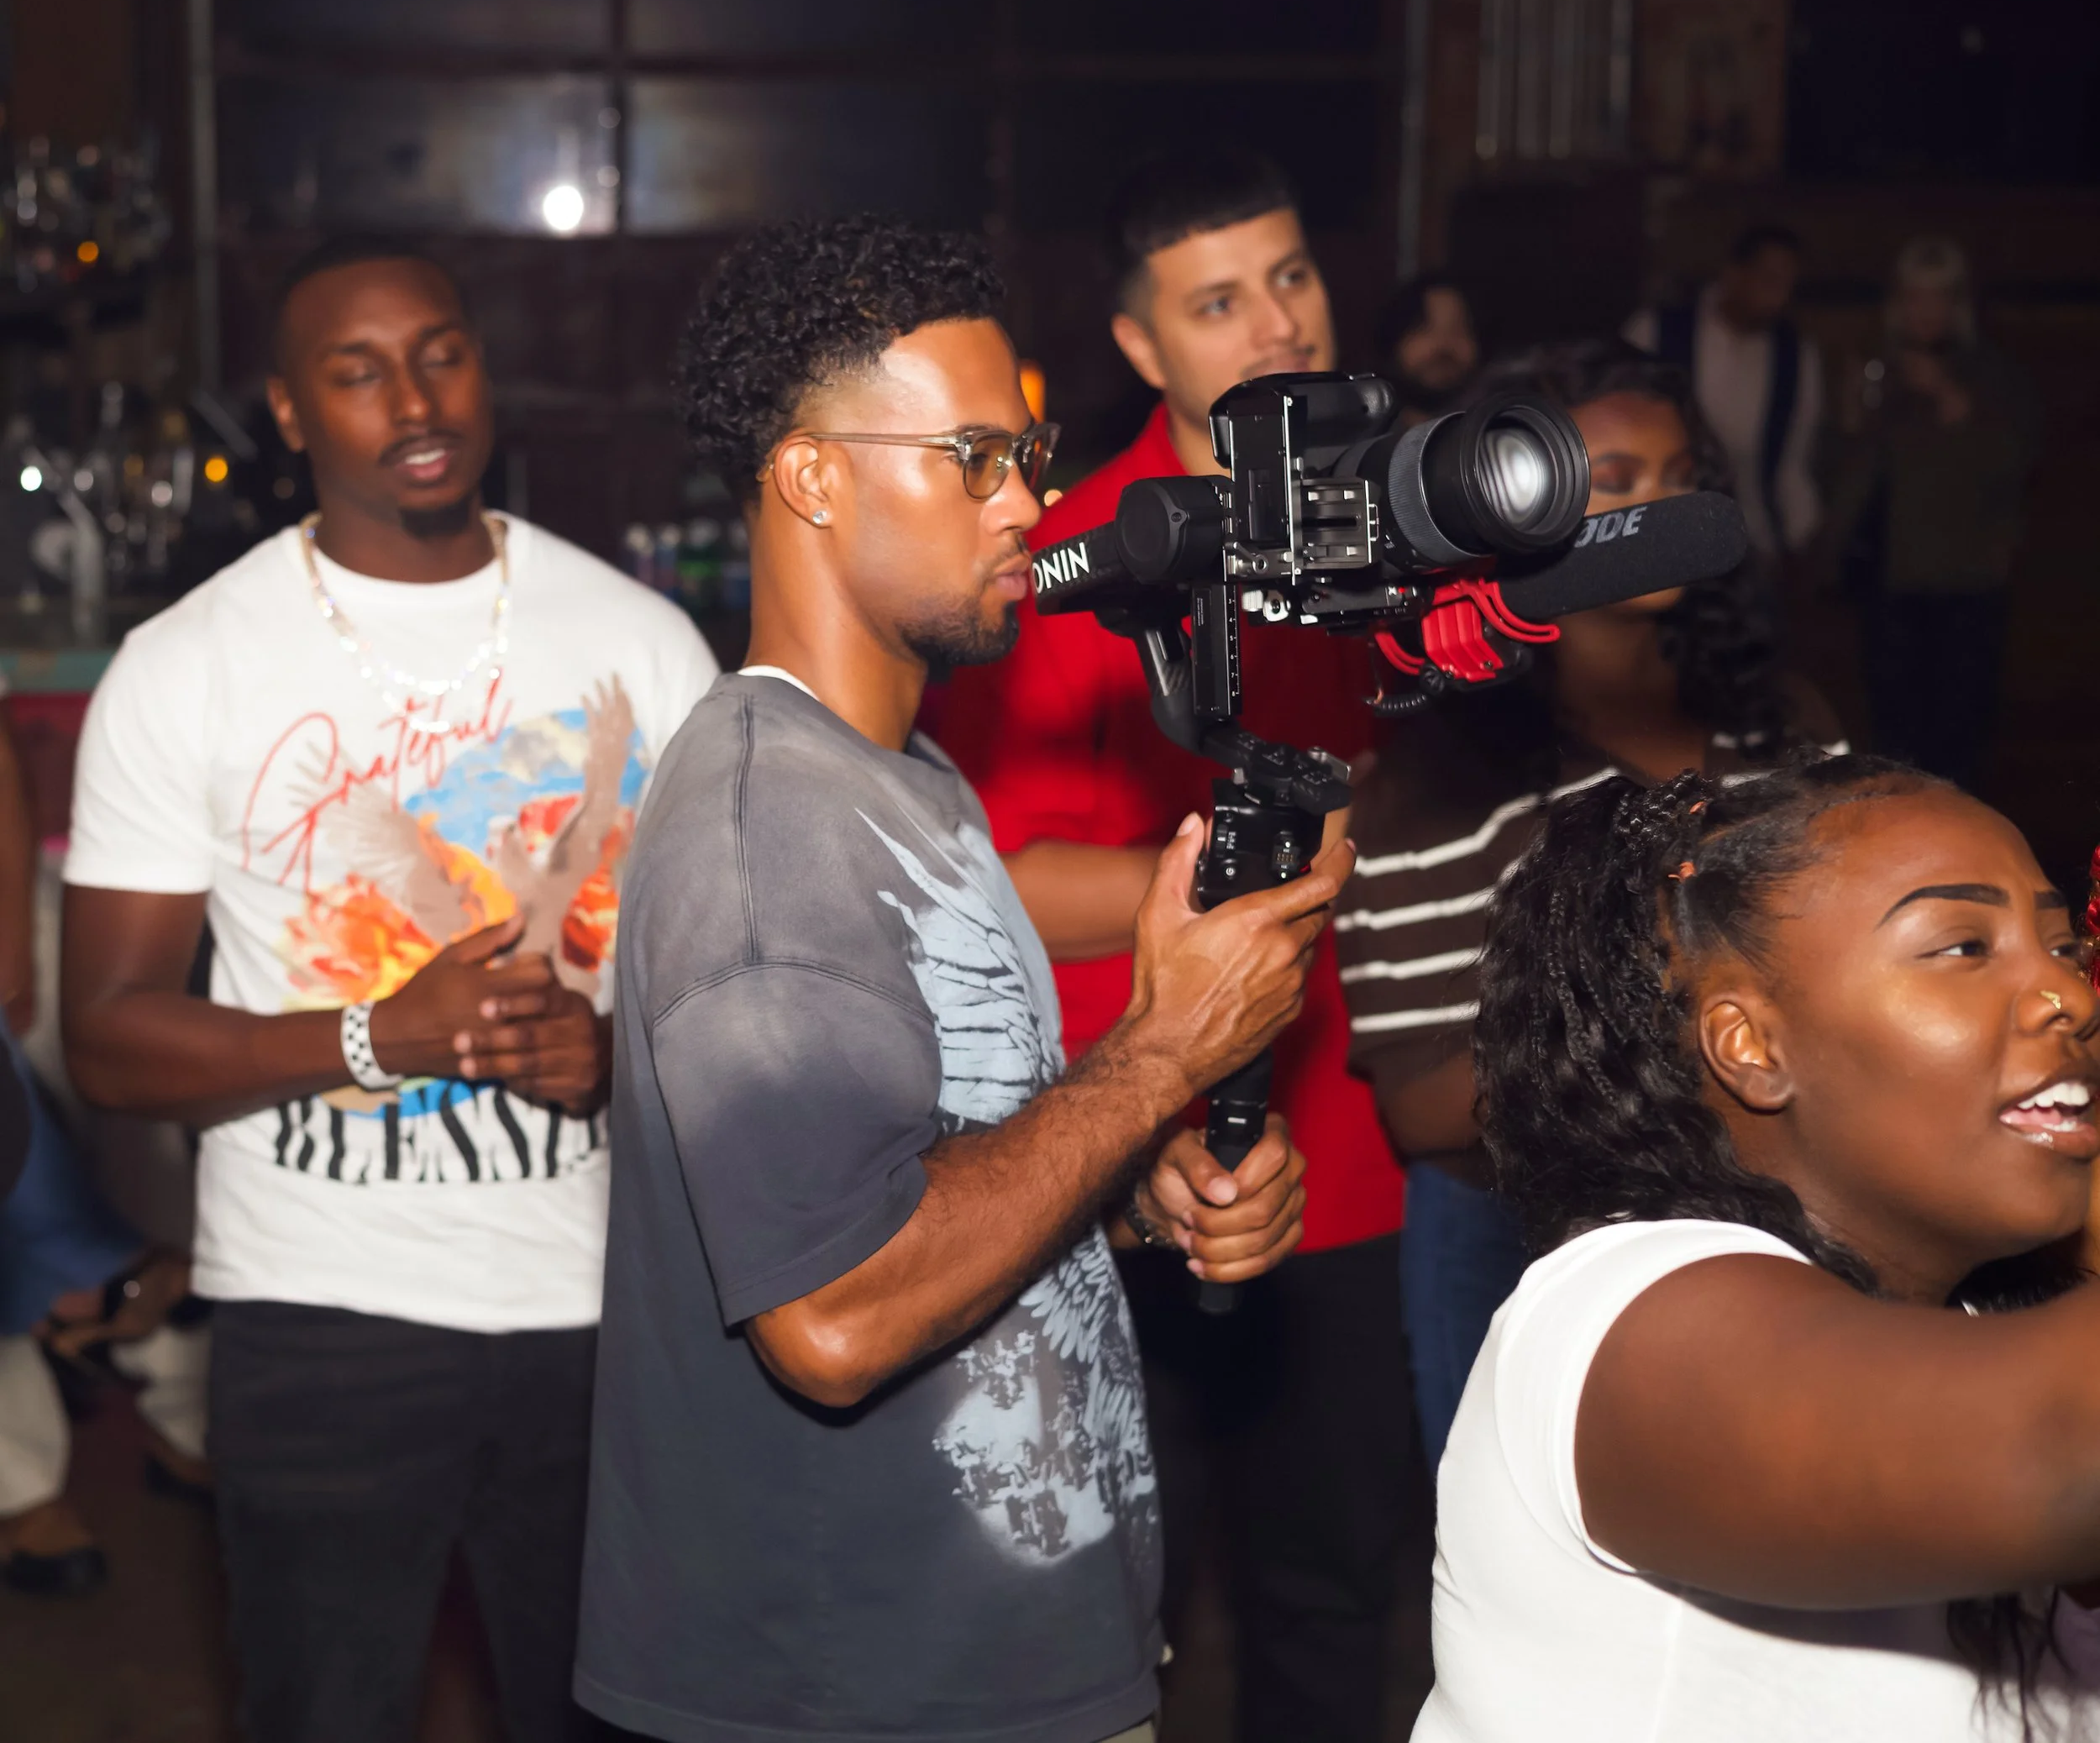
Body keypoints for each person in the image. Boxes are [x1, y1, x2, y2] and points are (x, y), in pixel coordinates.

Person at [575, 214, 1333, 1743]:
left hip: (988, 1667)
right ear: (812, 476)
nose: (1030, 505)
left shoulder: (904, 779)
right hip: (858, 1694)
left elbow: (926, 1169)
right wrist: (1164, 1050)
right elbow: (835, 1316)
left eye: (1030, 457)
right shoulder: (759, 822)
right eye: (975, 459)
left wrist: (1141, 1183)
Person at [60, 237, 717, 1743]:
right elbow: (105, 1037)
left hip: (596, 1313)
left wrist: (612, 1051)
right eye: (356, 372)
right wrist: (378, 1031)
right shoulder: (190, 664)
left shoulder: (643, 643)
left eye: (440, 352)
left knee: (610, 1716)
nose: (413, 398)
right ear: (289, 414)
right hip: (320, 1315)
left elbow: (733, 1001)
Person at [927, 149, 1412, 1742]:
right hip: (1121, 1151)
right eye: (1218, 301)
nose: (1275, 324)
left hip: (1336, 1143)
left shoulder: (1389, 512)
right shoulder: (1072, 552)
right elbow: (983, 860)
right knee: (1096, 1606)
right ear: (1141, 346)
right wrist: (1226, 880)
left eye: (1292, 278)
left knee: (1339, 1595)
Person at [1412, 753, 2100, 1740]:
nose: (2068, 998)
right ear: (1749, 1046)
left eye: (2065, 948)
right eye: (1961, 946)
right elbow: (2052, 1456)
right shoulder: (1630, 1312)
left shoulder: (1984, 1317)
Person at [1336, 340, 1847, 1465]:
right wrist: (1669, 984)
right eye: (1612, 481)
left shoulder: (1784, 721)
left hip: (1778, 1207)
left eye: (1676, 475)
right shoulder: (1437, 768)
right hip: (1514, 1229)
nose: (1651, 506)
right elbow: (1420, 1108)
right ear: (1508, 501)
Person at [1821, 235, 2040, 790]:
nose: (1925, 310)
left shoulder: (1993, 373)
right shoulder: (1877, 367)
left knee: (1959, 736)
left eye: (1938, 297)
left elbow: (2015, 467)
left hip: (1965, 584)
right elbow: (1836, 473)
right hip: (1888, 583)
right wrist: (1848, 416)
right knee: (1893, 734)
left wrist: (1954, 403)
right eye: (1915, 297)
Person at [1625, 224, 1822, 562]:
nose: (1778, 296)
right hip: (1660, 539)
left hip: (1754, 542)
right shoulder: (1655, 333)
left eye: (1787, 284)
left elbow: (1793, 462)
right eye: (1768, 279)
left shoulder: (1796, 358)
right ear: (1734, 273)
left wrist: (1801, 540)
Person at [1376, 273, 1481, 428]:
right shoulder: (1360, 432)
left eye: (1459, 329)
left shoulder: (1490, 433)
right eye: (1424, 328)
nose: (1443, 344)